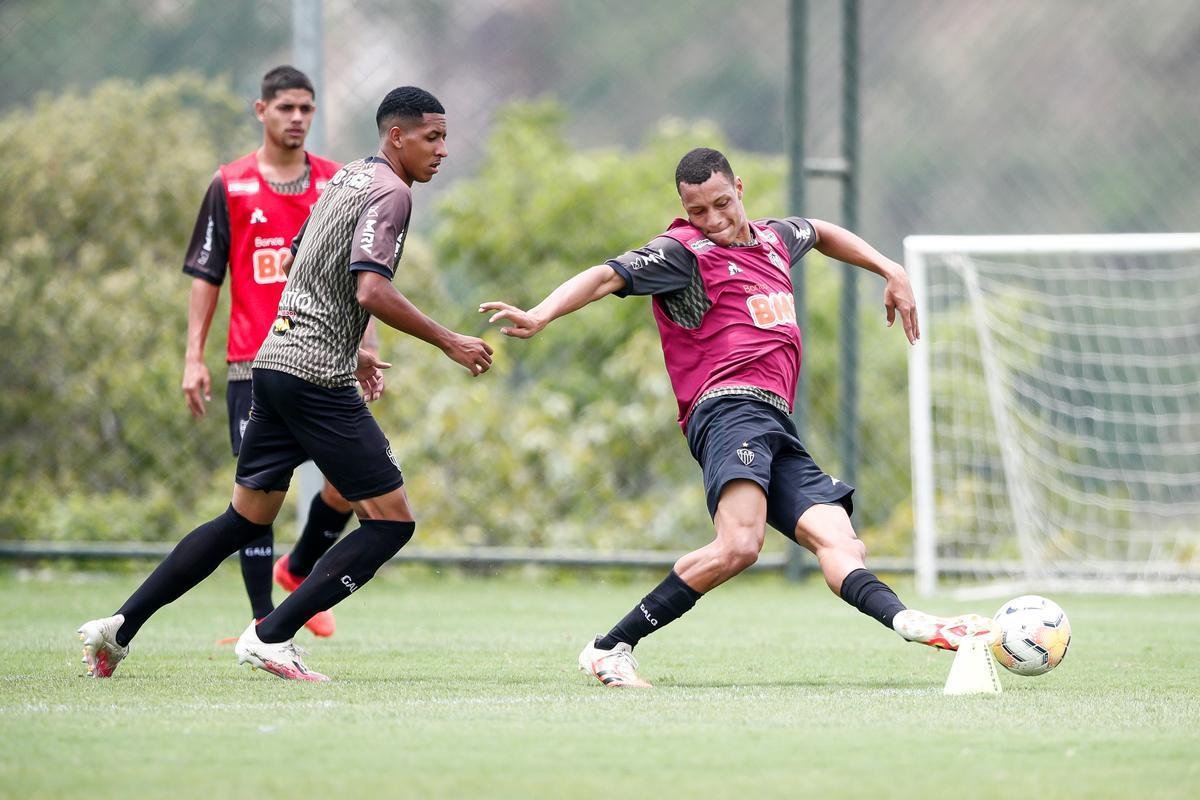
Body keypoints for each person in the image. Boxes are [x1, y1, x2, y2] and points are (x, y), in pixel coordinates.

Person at [481, 147, 995, 688]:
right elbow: (605, 276)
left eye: (722, 204)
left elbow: (819, 230)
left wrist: (889, 268)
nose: (713, 219)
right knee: (740, 544)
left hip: (775, 424)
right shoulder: (683, 253)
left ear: (740, 188)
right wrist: (540, 314)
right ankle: (609, 648)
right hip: (727, 410)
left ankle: (914, 624)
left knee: (842, 543)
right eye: (697, 209)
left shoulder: (774, 240)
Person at [77, 85, 494, 681]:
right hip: (314, 377)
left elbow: (302, 256)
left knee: (243, 519)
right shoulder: (393, 193)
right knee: (391, 521)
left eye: (445, 138)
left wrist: (353, 346)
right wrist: (450, 340)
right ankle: (271, 635)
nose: (443, 150)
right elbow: (370, 288)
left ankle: (117, 628)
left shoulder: (349, 177)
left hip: (272, 364)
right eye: (433, 137)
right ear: (396, 137)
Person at [182, 65, 372, 640]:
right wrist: (194, 357)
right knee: (257, 497)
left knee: (353, 484)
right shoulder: (231, 184)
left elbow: (363, 275)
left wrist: (366, 344)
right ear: (260, 110)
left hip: (325, 357)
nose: (296, 119)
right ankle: (264, 618)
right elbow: (206, 275)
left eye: (306, 109)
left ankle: (300, 569)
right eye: (285, 107)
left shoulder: (336, 183)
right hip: (255, 364)